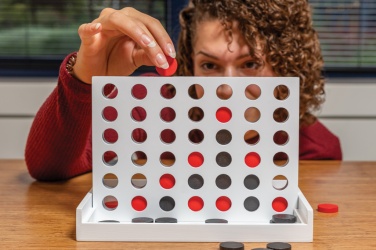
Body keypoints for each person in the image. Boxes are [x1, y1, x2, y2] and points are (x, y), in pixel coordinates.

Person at [25, 0, 342, 181]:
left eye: (250, 64)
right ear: (190, 63)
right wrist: (86, 79)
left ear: (286, 63)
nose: (227, 89)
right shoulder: (151, 107)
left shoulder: (313, 146)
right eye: (209, 65)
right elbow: (50, 168)